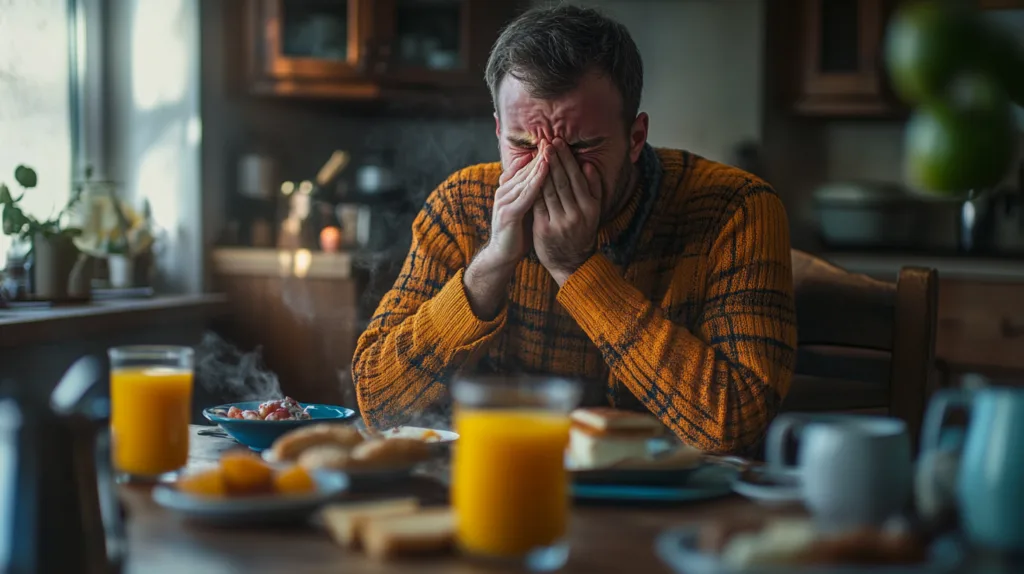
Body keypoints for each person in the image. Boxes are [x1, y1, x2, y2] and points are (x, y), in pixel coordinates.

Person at [352, 5, 797, 454]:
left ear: (636, 137)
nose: (548, 168)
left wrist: (578, 270)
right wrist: (487, 270)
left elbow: (736, 425)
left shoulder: (735, 208)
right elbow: (379, 409)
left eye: (582, 147)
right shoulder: (461, 205)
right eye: (523, 144)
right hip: (501, 480)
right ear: (497, 131)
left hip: (664, 501)